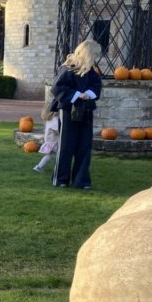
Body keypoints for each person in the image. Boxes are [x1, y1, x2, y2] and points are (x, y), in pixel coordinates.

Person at [51, 39, 102, 189]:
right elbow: (57, 87)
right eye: (95, 55)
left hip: (86, 110)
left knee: (84, 145)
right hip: (68, 111)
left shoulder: (92, 72)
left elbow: (97, 86)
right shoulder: (68, 69)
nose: (96, 58)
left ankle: (81, 180)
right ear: (89, 53)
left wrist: (88, 94)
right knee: (66, 145)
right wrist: (76, 95)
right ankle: (61, 179)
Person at [33, 98, 60, 175]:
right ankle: (58, 169)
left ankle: (39, 166)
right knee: (60, 156)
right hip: (54, 143)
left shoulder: (49, 120)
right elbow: (58, 129)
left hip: (49, 142)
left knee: (49, 156)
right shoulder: (55, 119)